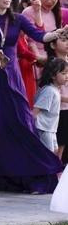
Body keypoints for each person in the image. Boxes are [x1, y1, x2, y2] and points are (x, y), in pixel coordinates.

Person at [0, 0, 65, 194]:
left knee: (22, 123)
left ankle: (32, 174)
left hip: (13, 78)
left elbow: (40, 35)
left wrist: (56, 34)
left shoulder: (18, 19)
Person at [33, 58, 68, 155]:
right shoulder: (49, 91)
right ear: (53, 75)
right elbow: (36, 111)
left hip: (50, 129)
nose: (67, 76)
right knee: (48, 156)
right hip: (44, 129)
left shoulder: (55, 90)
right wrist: (31, 128)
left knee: (54, 154)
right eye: (63, 73)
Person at [45, 29, 68, 158]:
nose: (67, 43)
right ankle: (55, 170)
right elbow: (48, 90)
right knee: (59, 143)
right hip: (59, 109)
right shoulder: (53, 64)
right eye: (63, 40)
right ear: (53, 45)